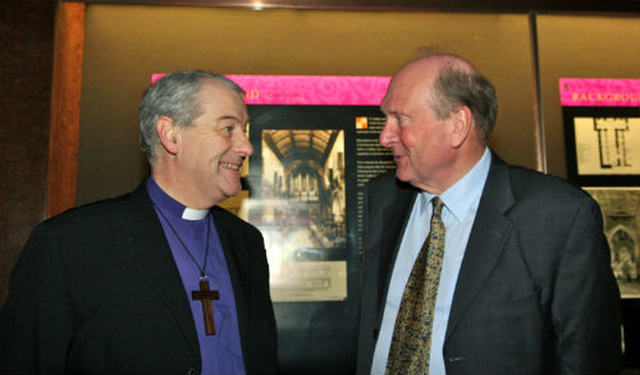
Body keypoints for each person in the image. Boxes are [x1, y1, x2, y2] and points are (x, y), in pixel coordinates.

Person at [357, 54, 622, 375]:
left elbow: (588, 360)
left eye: (400, 118)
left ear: (458, 126)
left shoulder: (558, 217)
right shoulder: (382, 197)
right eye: (386, 118)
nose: (385, 136)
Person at [0, 70, 278, 374]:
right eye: (228, 128)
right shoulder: (70, 243)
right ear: (171, 135)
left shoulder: (245, 242)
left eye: (244, 130)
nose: (246, 147)